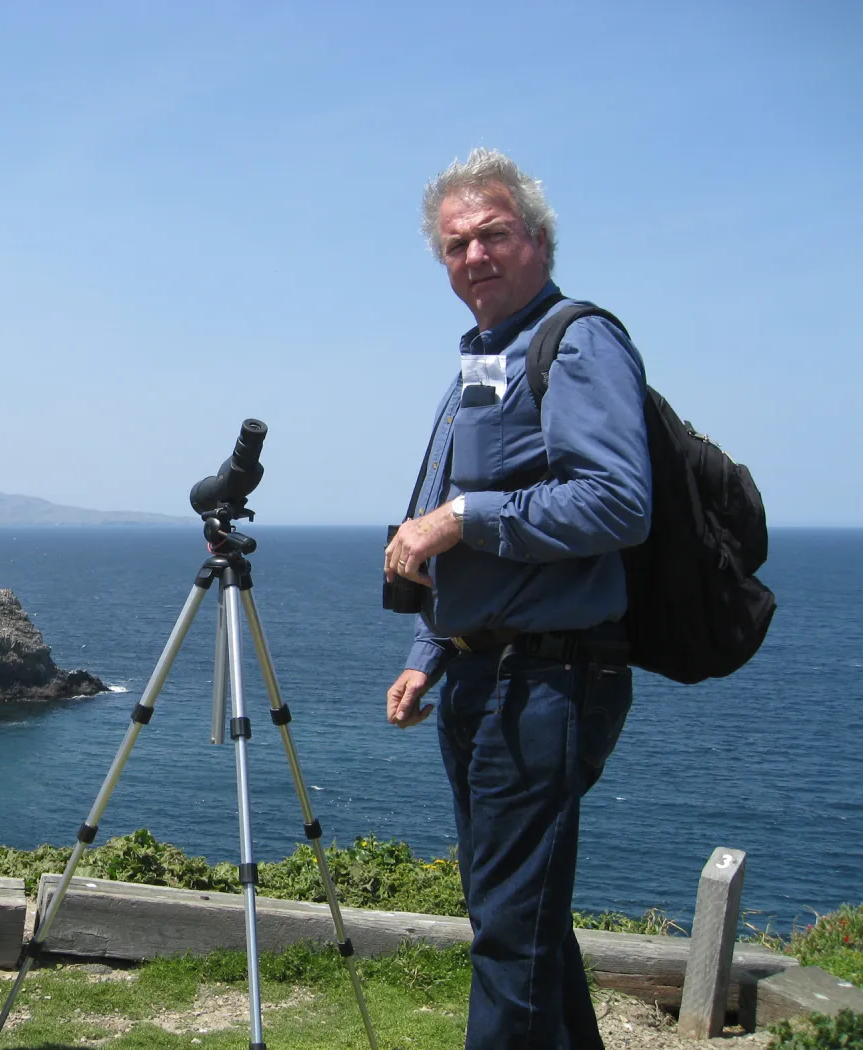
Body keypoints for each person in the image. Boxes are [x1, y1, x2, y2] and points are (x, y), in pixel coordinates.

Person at [383, 149, 651, 1050]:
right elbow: (453, 540)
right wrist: (430, 653)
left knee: (507, 931)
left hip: (545, 683)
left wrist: (462, 517)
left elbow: (617, 500)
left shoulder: (574, 341)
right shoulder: (478, 361)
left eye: (493, 234)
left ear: (537, 238)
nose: (475, 255)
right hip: (481, 675)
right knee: (518, 919)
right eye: (456, 245)